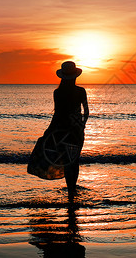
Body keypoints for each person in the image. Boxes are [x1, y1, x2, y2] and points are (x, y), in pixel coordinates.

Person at [45, 61, 89, 199]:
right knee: (74, 160)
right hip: (76, 131)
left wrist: (49, 131)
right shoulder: (80, 91)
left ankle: (70, 189)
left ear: (62, 76)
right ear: (75, 76)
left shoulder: (57, 93)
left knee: (66, 160)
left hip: (61, 130)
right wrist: (82, 124)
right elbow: (86, 112)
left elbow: (57, 115)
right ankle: (72, 189)